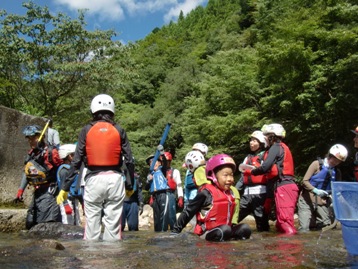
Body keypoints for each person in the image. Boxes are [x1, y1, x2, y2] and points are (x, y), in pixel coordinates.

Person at [56, 94, 135, 241]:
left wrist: (65, 188)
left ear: (93, 110)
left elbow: (76, 161)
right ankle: (111, 258)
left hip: (93, 179)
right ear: (112, 111)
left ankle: (91, 259)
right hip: (115, 180)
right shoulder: (119, 129)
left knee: (92, 225)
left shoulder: (86, 130)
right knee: (113, 227)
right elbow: (129, 160)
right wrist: (130, 184)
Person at [171, 154, 251, 241]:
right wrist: (175, 231)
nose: (230, 179)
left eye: (231, 175)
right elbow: (188, 212)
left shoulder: (231, 193)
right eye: (225, 175)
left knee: (245, 228)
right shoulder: (206, 193)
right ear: (213, 176)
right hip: (207, 232)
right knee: (225, 230)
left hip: (224, 230)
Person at [250, 123, 299, 235]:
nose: (265, 138)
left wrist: (253, 171)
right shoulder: (281, 147)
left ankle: (291, 247)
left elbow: (266, 166)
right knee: (280, 223)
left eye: (266, 136)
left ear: (272, 136)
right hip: (285, 186)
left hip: (284, 186)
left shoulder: (276, 147)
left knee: (284, 222)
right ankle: (285, 248)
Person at [15, 124, 63, 229]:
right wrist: (20, 191)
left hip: (50, 193)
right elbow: (26, 173)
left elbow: (62, 170)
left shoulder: (51, 153)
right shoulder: (31, 154)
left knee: (45, 226)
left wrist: (64, 192)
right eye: (29, 139)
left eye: (34, 138)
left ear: (41, 137)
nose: (31, 141)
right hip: (37, 193)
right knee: (30, 223)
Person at [297, 144, 347, 232]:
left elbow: (337, 190)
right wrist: (315, 190)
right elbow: (305, 181)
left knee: (326, 227)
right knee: (304, 228)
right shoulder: (316, 164)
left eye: (338, 161)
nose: (335, 162)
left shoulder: (337, 172)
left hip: (322, 202)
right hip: (306, 200)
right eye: (335, 159)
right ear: (330, 155)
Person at [236, 130, 270, 232]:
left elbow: (269, 174)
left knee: (262, 223)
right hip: (246, 195)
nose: (251, 142)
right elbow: (243, 176)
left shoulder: (265, 156)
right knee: (235, 217)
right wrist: (235, 191)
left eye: (255, 141)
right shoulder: (248, 158)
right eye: (251, 140)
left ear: (261, 143)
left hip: (260, 194)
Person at [57, 143, 82, 226]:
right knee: (68, 223)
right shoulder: (64, 170)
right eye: (73, 155)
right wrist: (65, 204)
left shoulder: (72, 169)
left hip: (74, 199)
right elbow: (62, 188)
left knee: (77, 223)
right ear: (68, 156)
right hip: (66, 200)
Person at [145, 153, 170, 232]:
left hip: (163, 194)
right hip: (155, 196)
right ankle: (157, 233)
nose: (152, 163)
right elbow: (146, 188)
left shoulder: (162, 170)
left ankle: (163, 233)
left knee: (163, 215)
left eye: (154, 161)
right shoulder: (150, 174)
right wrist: (148, 181)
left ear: (159, 162)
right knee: (156, 216)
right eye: (150, 162)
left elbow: (165, 163)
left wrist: (162, 154)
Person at [164, 151, 184, 230]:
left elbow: (179, 186)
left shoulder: (175, 172)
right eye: (164, 162)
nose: (165, 163)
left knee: (171, 215)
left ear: (170, 161)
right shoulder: (159, 171)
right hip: (161, 194)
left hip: (170, 194)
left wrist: (180, 197)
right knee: (162, 216)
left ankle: (174, 231)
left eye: (167, 162)